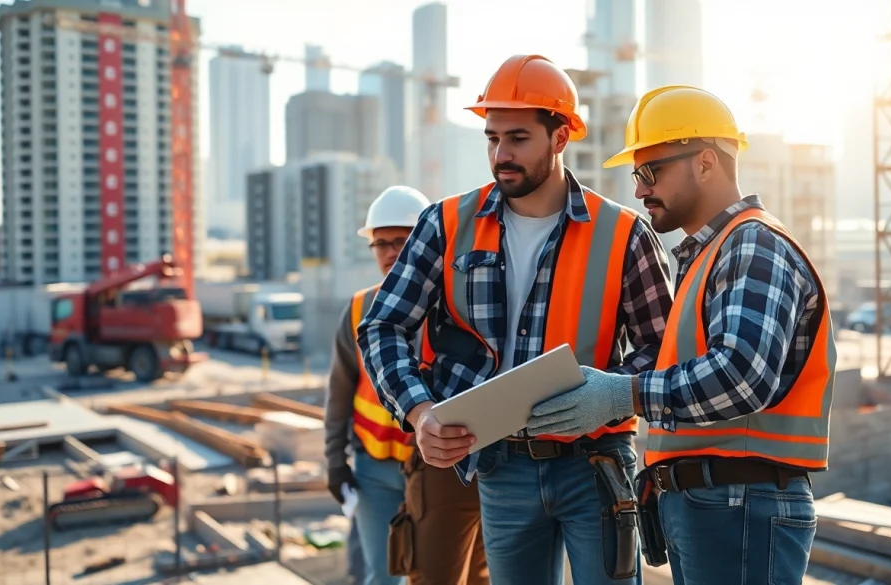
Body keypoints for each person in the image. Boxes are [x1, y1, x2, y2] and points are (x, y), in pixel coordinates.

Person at [357, 54, 673, 585]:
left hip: (596, 462)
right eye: (491, 138)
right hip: (499, 466)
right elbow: (382, 326)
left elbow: (663, 350)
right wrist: (418, 412)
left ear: (560, 137)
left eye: (518, 139)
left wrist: (610, 392)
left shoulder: (624, 234)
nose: (500, 155)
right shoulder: (446, 224)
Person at [526, 85, 837, 584]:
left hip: (740, 501)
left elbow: (742, 375)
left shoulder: (752, 246)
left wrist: (620, 393)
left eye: (651, 172)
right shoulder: (711, 256)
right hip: (719, 503)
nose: (639, 189)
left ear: (706, 163)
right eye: (636, 175)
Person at [325, 185, 431, 585]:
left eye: (400, 242)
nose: (389, 253)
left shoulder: (452, 309)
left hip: (435, 469)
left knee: (436, 574)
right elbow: (338, 395)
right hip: (373, 471)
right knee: (382, 576)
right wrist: (335, 461)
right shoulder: (357, 310)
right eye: (380, 243)